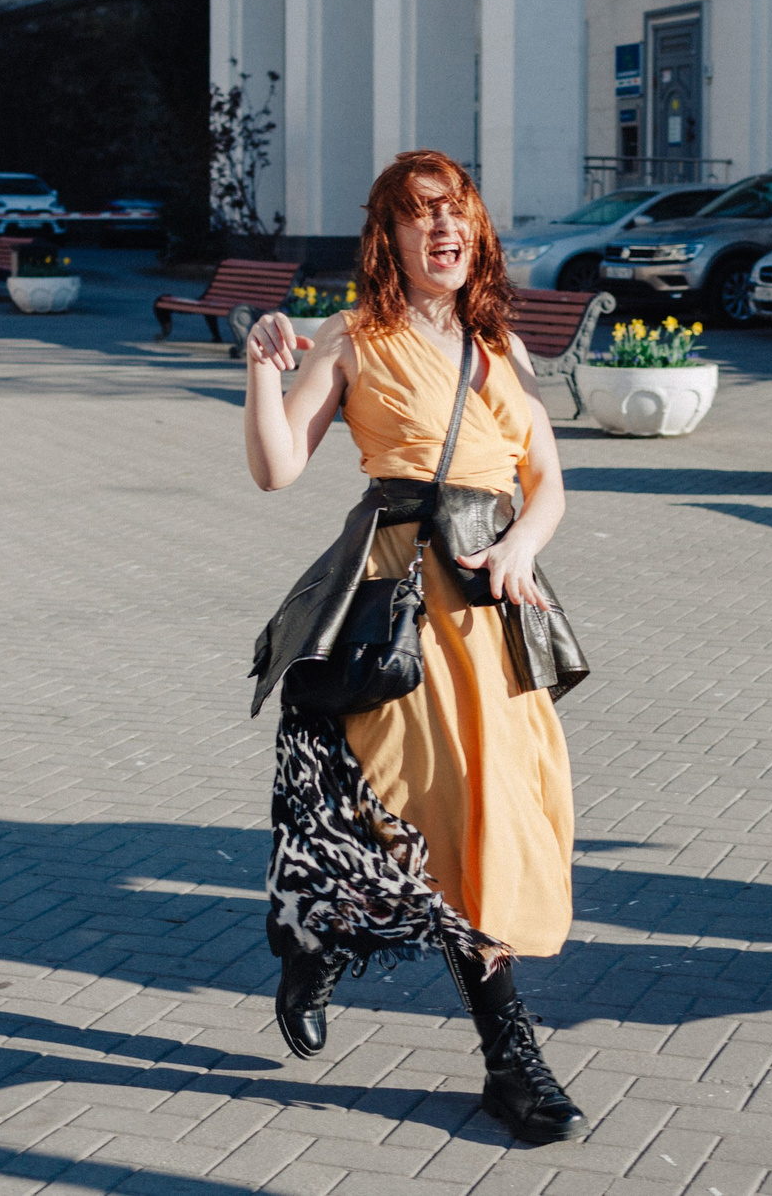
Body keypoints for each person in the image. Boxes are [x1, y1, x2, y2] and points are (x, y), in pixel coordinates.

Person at [241, 150, 592, 1146]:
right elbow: (275, 470)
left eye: (457, 212)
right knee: (438, 816)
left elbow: (548, 484)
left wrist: (523, 543)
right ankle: (508, 1056)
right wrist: (262, 374)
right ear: (388, 237)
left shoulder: (500, 346)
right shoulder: (352, 339)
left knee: (503, 815)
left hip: (493, 612)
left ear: (476, 231)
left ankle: (317, 937)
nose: (442, 228)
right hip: (399, 611)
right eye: (419, 215)